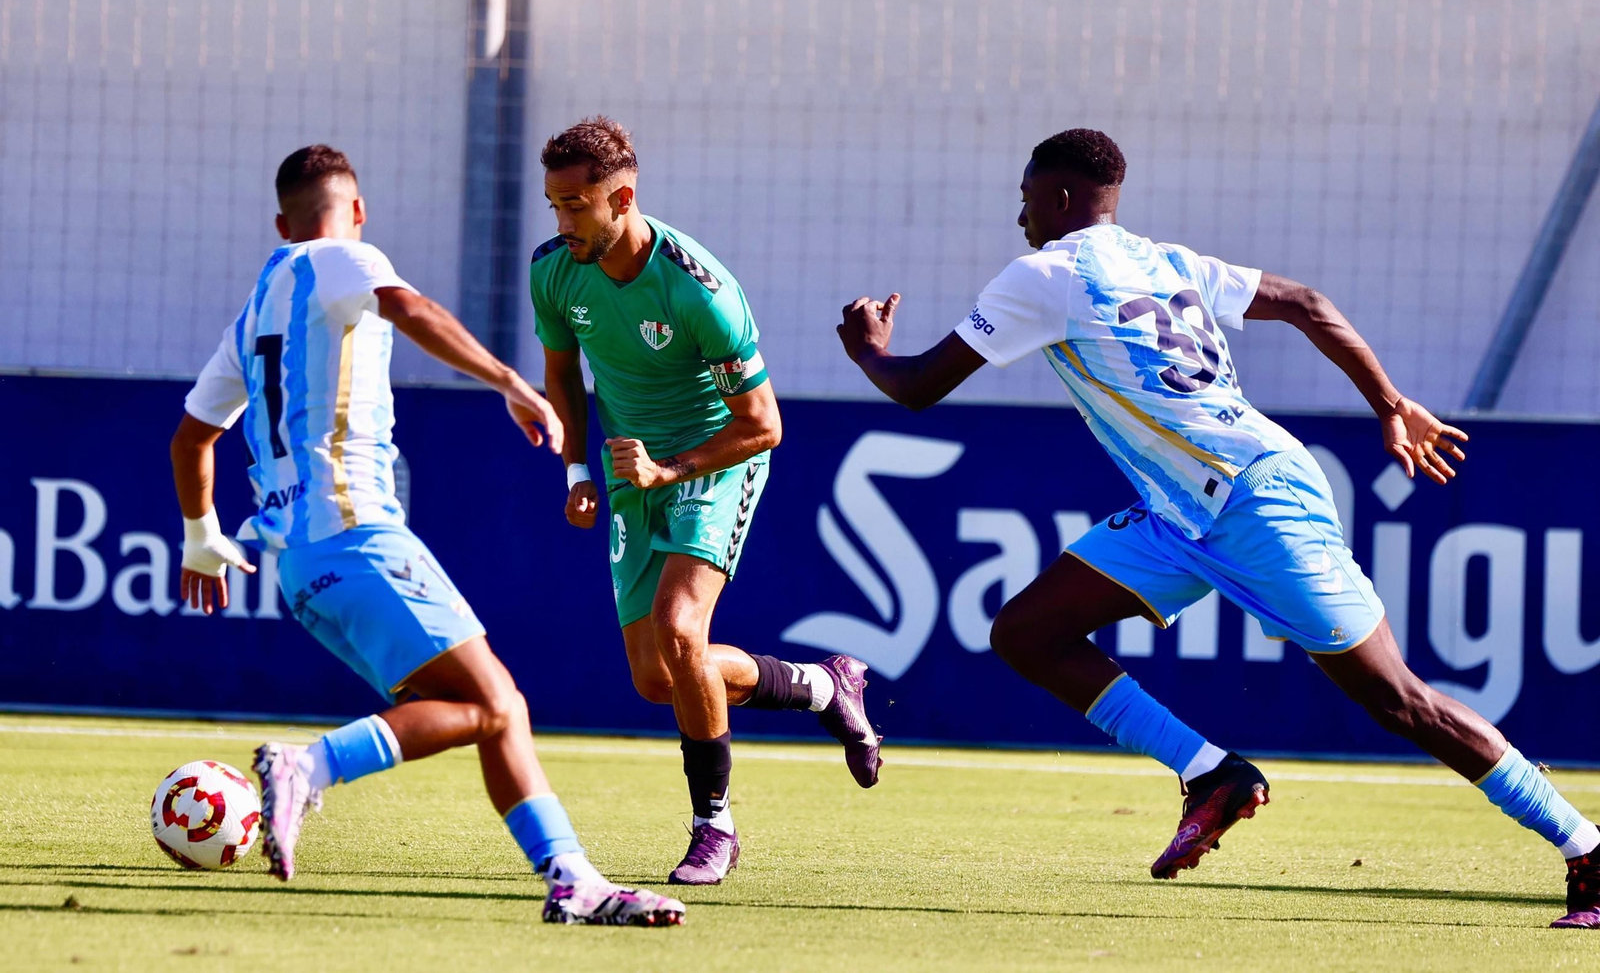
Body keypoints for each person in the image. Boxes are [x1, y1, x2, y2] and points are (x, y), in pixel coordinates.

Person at [835, 127, 1600, 930]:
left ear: (1059, 197)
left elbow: (917, 386)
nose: (1018, 215)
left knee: (1397, 699)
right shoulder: (1168, 261)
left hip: (1254, 501)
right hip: (1184, 511)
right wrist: (1390, 403)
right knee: (1027, 632)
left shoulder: (1043, 274)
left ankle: (1586, 845)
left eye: (1026, 197)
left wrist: (868, 352)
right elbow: (1307, 303)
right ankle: (1210, 774)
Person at [170, 144, 684, 927]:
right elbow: (412, 310)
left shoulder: (252, 316)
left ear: (281, 224)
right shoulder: (344, 258)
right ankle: (306, 766)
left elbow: (190, 439)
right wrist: (508, 380)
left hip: (301, 569)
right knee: (496, 701)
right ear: (357, 210)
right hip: (356, 534)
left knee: (483, 709)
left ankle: (572, 882)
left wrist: (199, 533)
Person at [531, 116, 882, 885]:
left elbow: (764, 426)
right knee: (658, 678)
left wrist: (670, 469)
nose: (561, 223)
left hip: (715, 461)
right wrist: (577, 472)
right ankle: (825, 686)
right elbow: (561, 377)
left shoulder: (700, 289)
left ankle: (713, 827)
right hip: (632, 474)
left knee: (680, 629)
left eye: (575, 206)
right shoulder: (553, 270)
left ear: (622, 199)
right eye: (553, 205)